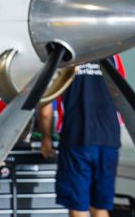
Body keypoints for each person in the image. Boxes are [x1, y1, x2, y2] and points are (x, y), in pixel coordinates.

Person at [39, 59, 123, 217]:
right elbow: (120, 93)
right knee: (100, 206)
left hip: (76, 138)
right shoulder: (113, 55)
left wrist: (46, 137)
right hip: (109, 138)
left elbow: (45, 108)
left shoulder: (63, 56)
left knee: (78, 205)